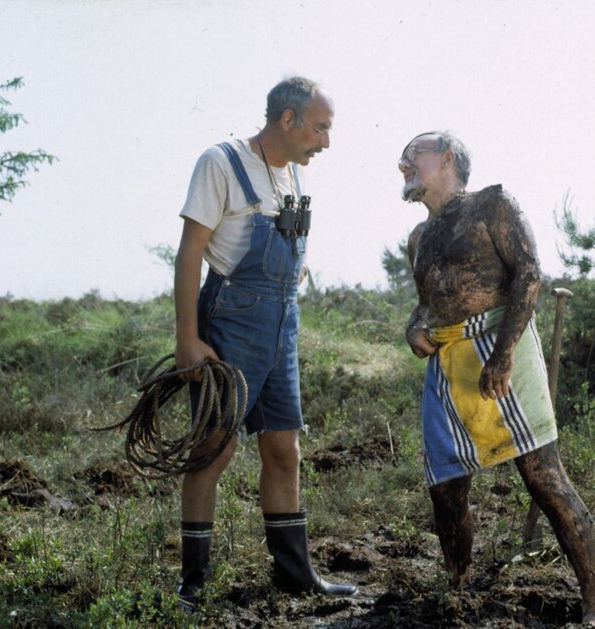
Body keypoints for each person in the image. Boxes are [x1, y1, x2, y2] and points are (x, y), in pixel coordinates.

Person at [400, 131, 595, 626]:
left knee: (543, 478)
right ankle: (460, 588)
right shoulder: (418, 237)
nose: (403, 165)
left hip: (503, 351)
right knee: (445, 490)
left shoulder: (493, 203)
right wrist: (414, 326)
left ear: (446, 159)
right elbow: (426, 304)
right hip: (449, 364)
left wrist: (503, 353)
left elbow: (529, 272)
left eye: (413, 156)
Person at [173, 76, 356, 608]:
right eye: (320, 128)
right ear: (287, 119)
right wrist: (188, 339)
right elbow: (190, 254)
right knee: (215, 447)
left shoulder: (293, 175)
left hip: (283, 322)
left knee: (284, 448)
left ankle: (295, 574)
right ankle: (195, 583)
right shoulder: (221, 162)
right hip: (231, 319)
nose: (325, 141)